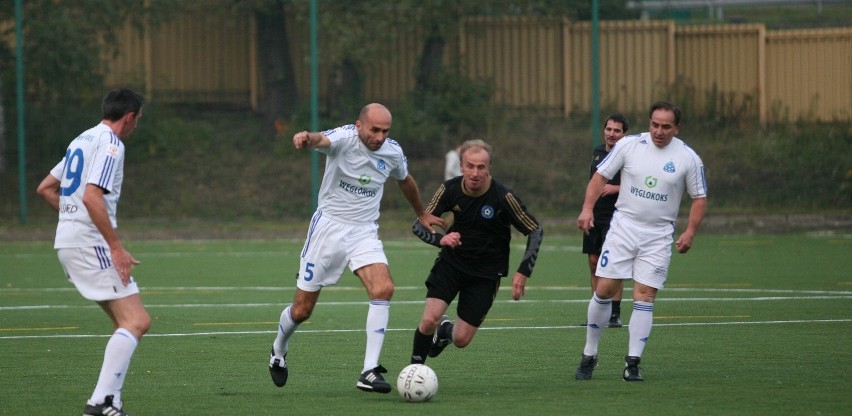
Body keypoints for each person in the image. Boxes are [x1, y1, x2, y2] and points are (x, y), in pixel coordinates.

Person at [268, 103, 444, 393]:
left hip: (364, 231)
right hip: (328, 229)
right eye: (374, 130)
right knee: (302, 311)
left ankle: (368, 370)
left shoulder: (392, 152)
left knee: (383, 289)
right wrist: (306, 137)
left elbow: (405, 181)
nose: (380, 136)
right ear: (359, 125)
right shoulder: (345, 138)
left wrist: (422, 213)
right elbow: (320, 140)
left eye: (385, 131)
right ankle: (278, 351)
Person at [36, 88, 150, 416]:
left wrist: (70, 215)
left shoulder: (82, 139)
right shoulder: (111, 144)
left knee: (123, 322)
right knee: (137, 320)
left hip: (67, 241)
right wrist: (116, 247)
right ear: (128, 117)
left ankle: (109, 401)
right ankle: (100, 402)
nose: (136, 126)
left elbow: (45, 188)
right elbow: (91, 197)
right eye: (137, 120)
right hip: (91, 244)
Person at [575, 101, 707, 382]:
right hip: (623, 228)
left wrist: (690, 232)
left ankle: (632, 362)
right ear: (649, 123)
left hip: (658, 236)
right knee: (604, 289)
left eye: (666, 126)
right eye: (654, 124)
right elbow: (600, 176)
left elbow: (699, 198)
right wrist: (587, 208)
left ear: (677, 128)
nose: (659, 131)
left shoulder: (688, 158)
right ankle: (590, 353)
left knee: (645, 296)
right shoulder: (629, 145)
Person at [409, 139, 543, 365]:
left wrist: (523, 271)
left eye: (481, 167)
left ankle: (445, 333)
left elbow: (535, 230)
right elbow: (418, 224)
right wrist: (441, 240)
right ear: (461, 166)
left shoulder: (503, 197)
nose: (475, 173)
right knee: (430, 318)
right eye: (470, 166)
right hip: (452, 264)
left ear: (489, 167)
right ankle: (415, 370)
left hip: (486, 274)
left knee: (461, 339)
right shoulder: (449, 189)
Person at [581, 114, 629, 328]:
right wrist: (587, 209)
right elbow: (593, 183)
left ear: (624, 134)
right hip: (595, 215)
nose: (611, 134)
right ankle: (596, 314)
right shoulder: (598, 152)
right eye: (608, 129)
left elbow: (639, 186)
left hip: (617, 216)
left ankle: (614, 314)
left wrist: (616, 188)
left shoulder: (630, 155)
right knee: (593, 262)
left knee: (612, 266)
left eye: (616, 131)